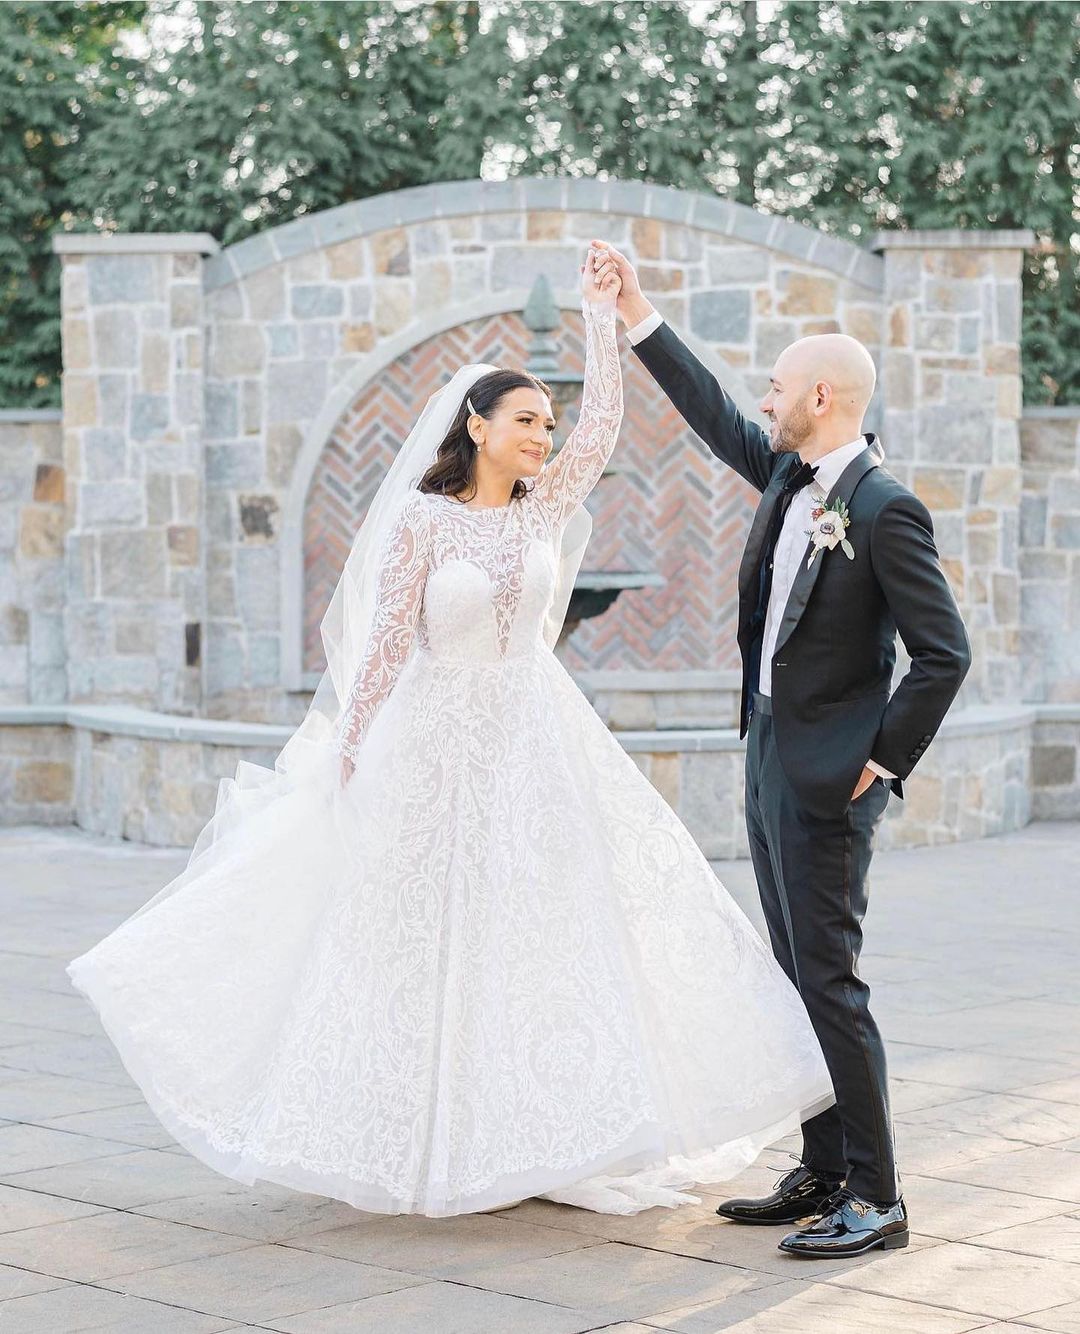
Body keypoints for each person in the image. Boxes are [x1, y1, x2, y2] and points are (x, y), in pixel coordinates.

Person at [67, 246, 835, 1219]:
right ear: (476, 426)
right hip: (433, 743)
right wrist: (354, 744)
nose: (543, 437)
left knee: (542, 927)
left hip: (536, 739)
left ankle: (542, 1129)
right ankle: (420, 1133)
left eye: (546, 423)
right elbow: (387, 639)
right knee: (419, 936)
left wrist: (602, 318)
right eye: (525, 421)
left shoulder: (544, 508)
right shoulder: (424, 520)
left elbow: (603, 425)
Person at [594, 238, 971, 1256]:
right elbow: (712, 409)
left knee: (832, 982)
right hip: (767, 754)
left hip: (830, 777)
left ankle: (879, 1198)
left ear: (820, 396)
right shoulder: (786, 474)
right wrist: (636, 312)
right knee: (791, 974)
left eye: (777, 388)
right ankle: (824, 1167)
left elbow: (944, 654)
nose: (764, 402)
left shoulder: (885, 510)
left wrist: (879, 762)